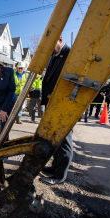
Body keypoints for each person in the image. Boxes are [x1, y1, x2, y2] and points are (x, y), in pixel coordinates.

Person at [40, 37, 74, 185]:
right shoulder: (56, 56)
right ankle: (55, 168)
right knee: (56, 140)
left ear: (59, 39)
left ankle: (60, 175)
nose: (49, 48)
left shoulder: (71, 55)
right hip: (53, 103)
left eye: (51, 44)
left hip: (64, 105)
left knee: (64, 140)